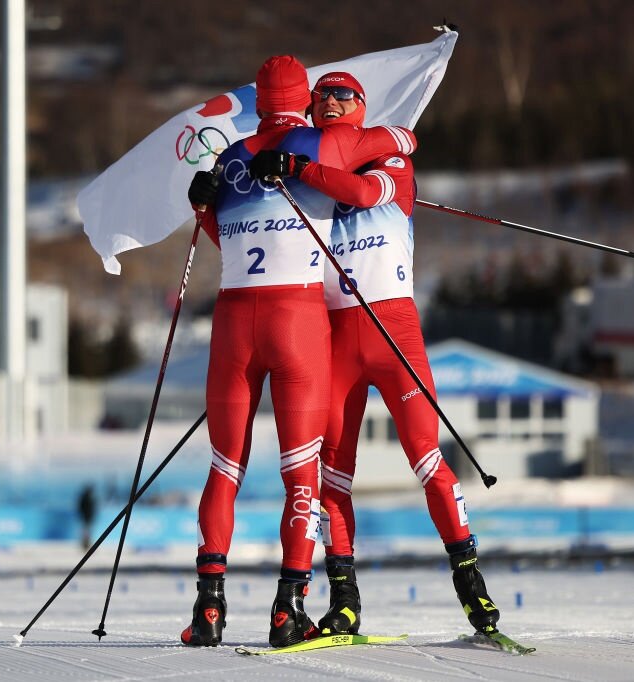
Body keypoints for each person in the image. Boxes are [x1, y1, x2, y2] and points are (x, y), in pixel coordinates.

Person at [250, 71, 500, 639]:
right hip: (334, 339)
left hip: (394, 333)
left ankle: (472, 588)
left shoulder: (388, 159)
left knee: (427, 460)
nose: (331, 102)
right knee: (333, 478)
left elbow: (362, 194)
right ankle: (344, 599)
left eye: (343, 95)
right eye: (321, 96)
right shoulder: (307, 180)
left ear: (361, 106)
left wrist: (296, 169)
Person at [180, 56, 417, 649]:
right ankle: (288, 609)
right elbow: (403, 138)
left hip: (234, 321)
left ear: (258, 101)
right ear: (301, 99)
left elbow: (224, 236)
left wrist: (201, 203)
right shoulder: (325, 139)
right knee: (301, 474)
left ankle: (209, 608)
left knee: (224, 467)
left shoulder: (229, 159)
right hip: (298, 319)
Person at [76, 484, 96, 551]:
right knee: (86, 531)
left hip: (87, 517)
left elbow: (92, 509)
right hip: (86, 517)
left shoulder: (89, 498)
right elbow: (81, 507)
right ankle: (85, 545)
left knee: (87, 531)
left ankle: (86, 545)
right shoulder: (88, 498)